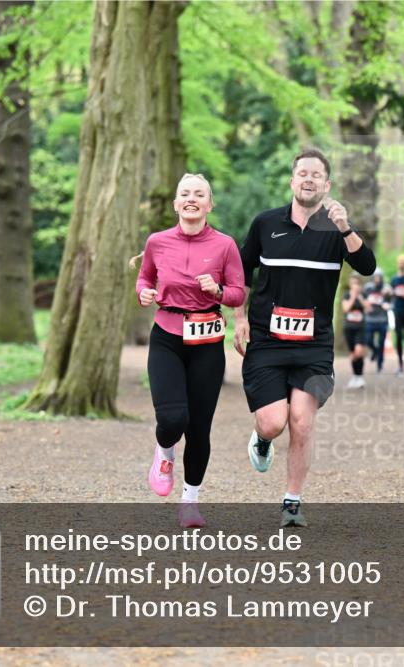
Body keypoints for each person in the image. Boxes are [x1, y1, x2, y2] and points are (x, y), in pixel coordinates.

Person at [235, 148, 376, 527]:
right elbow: (240, 271)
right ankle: (262, 439)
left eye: (316, 175)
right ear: (292, 181)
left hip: (314, 345)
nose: (308, 179)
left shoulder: (336, 229)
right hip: (267, 341)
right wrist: (239, 318)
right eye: (303, 173)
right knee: (272, 422)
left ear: (327, 185)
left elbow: (367, 266)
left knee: (302, 421)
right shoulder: (266, 223)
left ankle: (292, 503)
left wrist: (345, 227)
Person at [136, 174, 246, 528]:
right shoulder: (157, 242)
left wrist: (218, 291)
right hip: (167, 336)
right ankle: (165, 452)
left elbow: (238, 293)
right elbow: (144, 278)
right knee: (172, 419)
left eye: (199, 194)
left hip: (207, 343)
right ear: (176, 204)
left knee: (199, 428)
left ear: (209, 204)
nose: (191, 199)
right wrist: (143, 293)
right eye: (185, 194)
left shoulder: (225, 245)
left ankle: (190, 502)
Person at [342, 274, 368, 388]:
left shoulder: (363, 295)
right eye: (353, 283)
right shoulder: (346, 295)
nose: (355, 286)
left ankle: (360, 377)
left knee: (359, 351)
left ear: (360, 285)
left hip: (360, 328)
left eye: (357, 283)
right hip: (348, 328)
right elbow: (346, 308)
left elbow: (369, 308)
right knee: (353, 354)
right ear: (350, 284)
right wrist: (353, 297)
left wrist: (360, 297)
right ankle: (355, 377)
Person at [363, 268, 391, 373]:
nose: (377, 279)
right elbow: (363, 299)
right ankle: (375, 351)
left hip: (382, 320)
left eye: (379, 277)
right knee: (368, 340)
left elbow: (392, 302)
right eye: (375, 277)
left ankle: (380, 364)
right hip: (370, 319)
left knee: (381, 343)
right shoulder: (368, 288)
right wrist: (366, 305)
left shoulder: (386, 288)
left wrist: (388, 304)